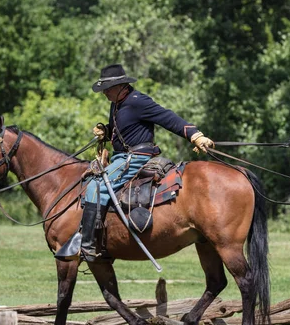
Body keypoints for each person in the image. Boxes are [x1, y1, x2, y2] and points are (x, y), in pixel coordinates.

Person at [55, 64, 215, 263]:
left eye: (108, 88)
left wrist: (195, 136)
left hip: (136, 158)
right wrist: (106, 130)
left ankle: (86, 245)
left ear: (121, 85)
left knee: (95, 187)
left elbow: (168, 118)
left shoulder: (139, 101)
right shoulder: (116, 103)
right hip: (121, 157)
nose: (105, 92)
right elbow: (123, 129)